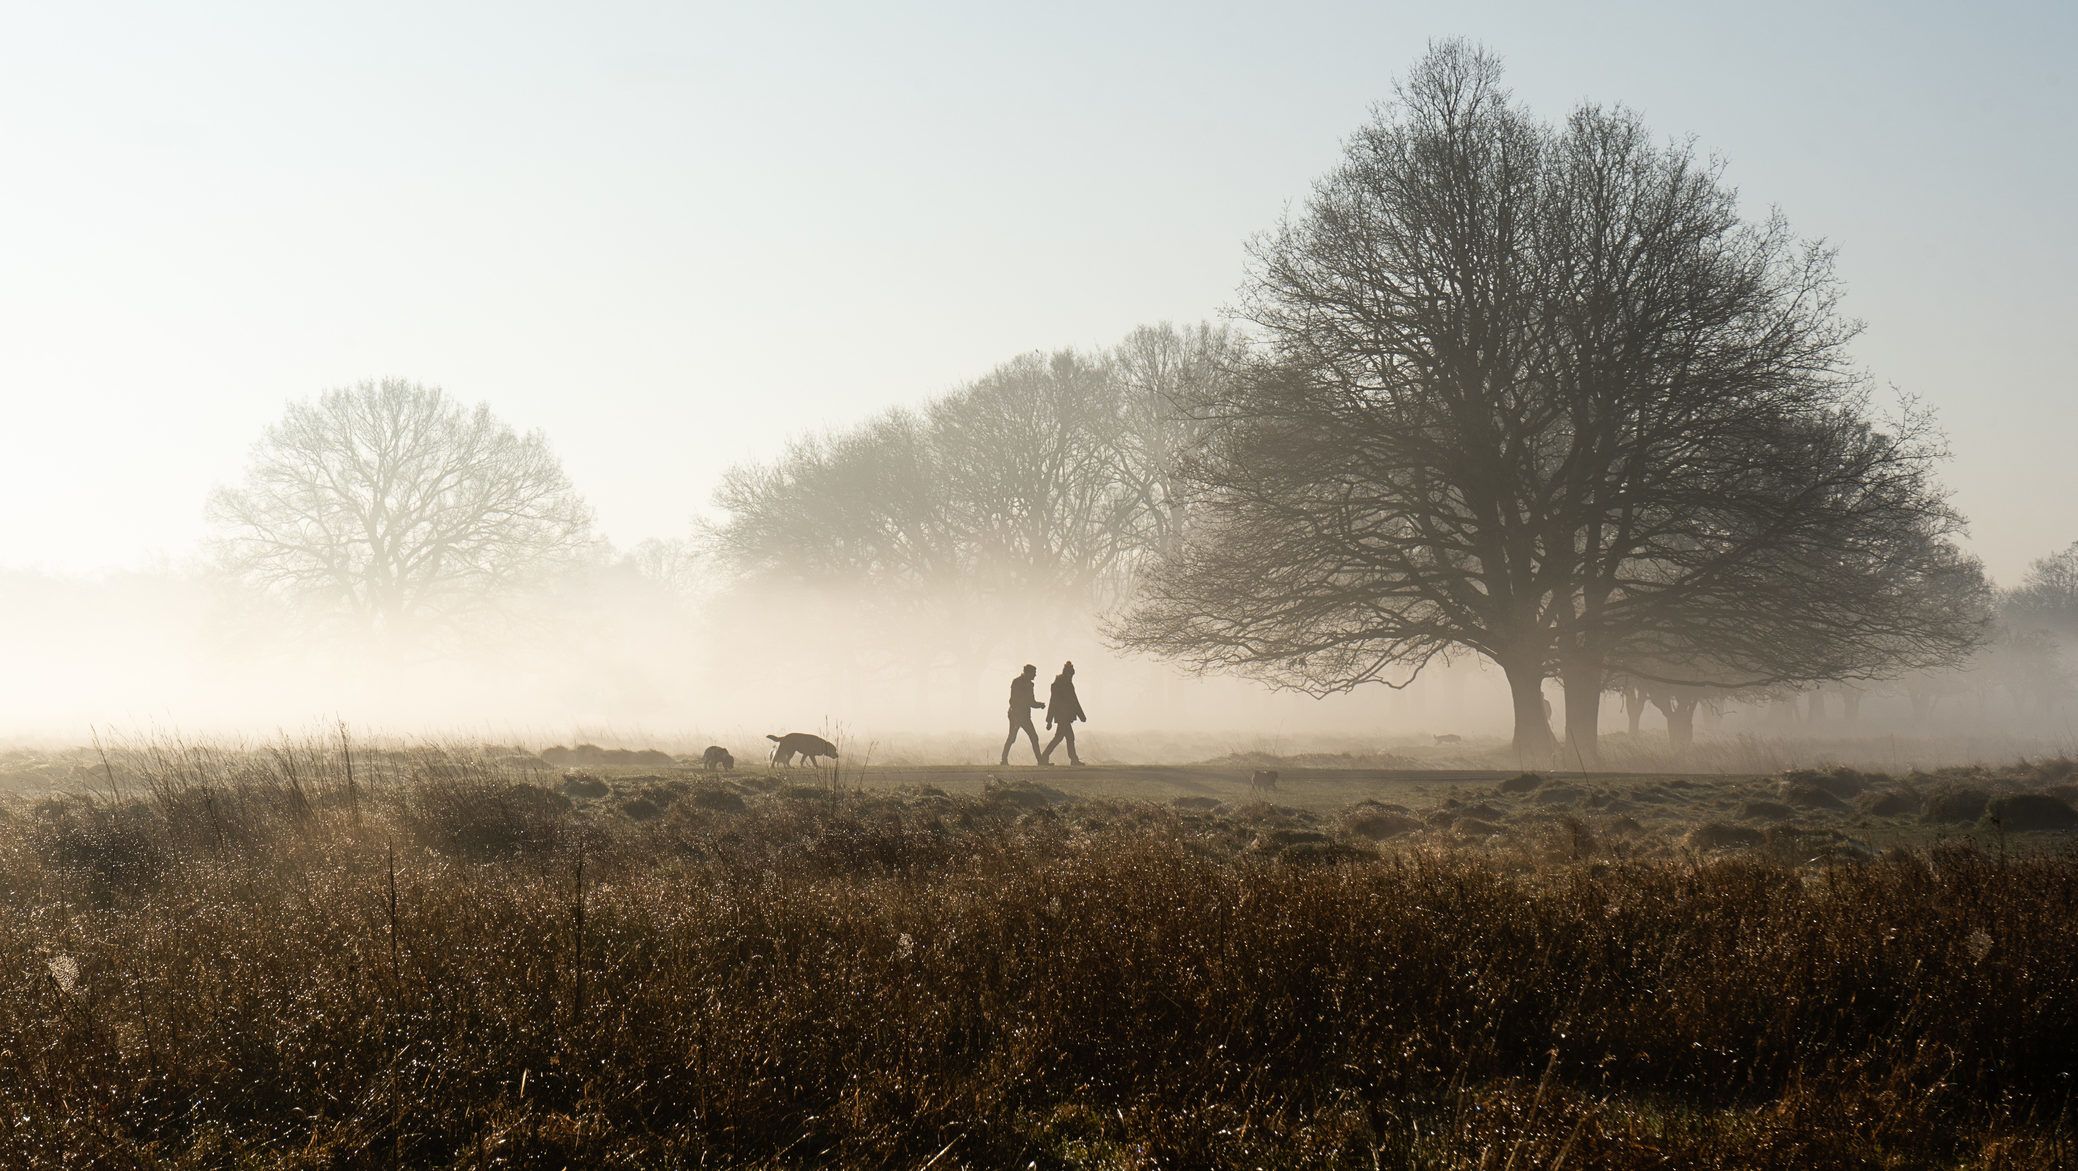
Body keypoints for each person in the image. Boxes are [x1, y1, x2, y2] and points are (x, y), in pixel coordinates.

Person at [1041, 660, 1086, 765]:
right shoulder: (1064, 684)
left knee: (1061, 737)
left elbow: (1054, 702)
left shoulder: (1060, 683)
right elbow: (1073, 701)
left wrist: (1049, 720)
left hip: (1062, 716)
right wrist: (1081, 715)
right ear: (1068, 673)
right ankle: (1073, 760)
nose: (1072, 677)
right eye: (1071, 674)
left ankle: (1045, 757)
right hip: (1063, 716)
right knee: (1067, 737)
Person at [1001, 663, 1046, 765]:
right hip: (1016, 716)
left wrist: (1039, 705)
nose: (1035, 675)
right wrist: (1016, 715)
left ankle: (1040, 761)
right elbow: (1012, 701)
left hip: (1024, 716)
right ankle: (1003, 759)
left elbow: (1031, 702)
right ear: (1028, 673)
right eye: (1034, 673)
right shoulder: (1017, 682)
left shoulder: (1029, 685)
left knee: (1033, 737)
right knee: (1012, 738)